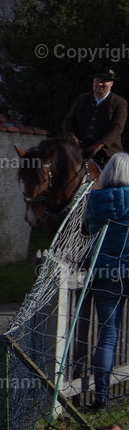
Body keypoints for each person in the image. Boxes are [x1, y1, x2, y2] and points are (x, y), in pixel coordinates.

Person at [83, 152, 129, 410]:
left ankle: (101, 396)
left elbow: (89, 230)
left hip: (106, 275)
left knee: (107, 335)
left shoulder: (94, 200)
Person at [62, 69, 127, 166]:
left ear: (111, 83)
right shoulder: (82, 99)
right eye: (97, 81)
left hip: (106, 153)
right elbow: (69, 120)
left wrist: (100, 144)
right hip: (78, 149)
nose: (99, 84)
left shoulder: (119, 102)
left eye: (104, 81)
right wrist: (71, 135)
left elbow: (117, 127)